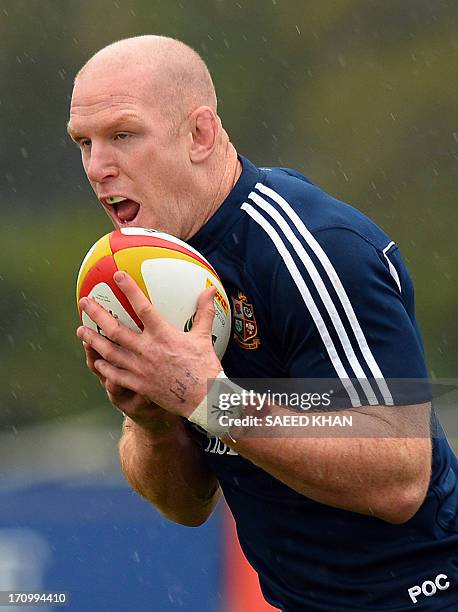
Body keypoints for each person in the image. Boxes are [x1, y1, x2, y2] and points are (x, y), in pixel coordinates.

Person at [69, 35, 458, 610]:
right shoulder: (146, 271)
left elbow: (399, 477)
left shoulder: (312, 248)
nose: (98, 168)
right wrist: (153, 421)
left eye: (123, 136)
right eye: (84, 143)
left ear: (200, 134)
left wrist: (208, 398)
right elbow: (187, 505)